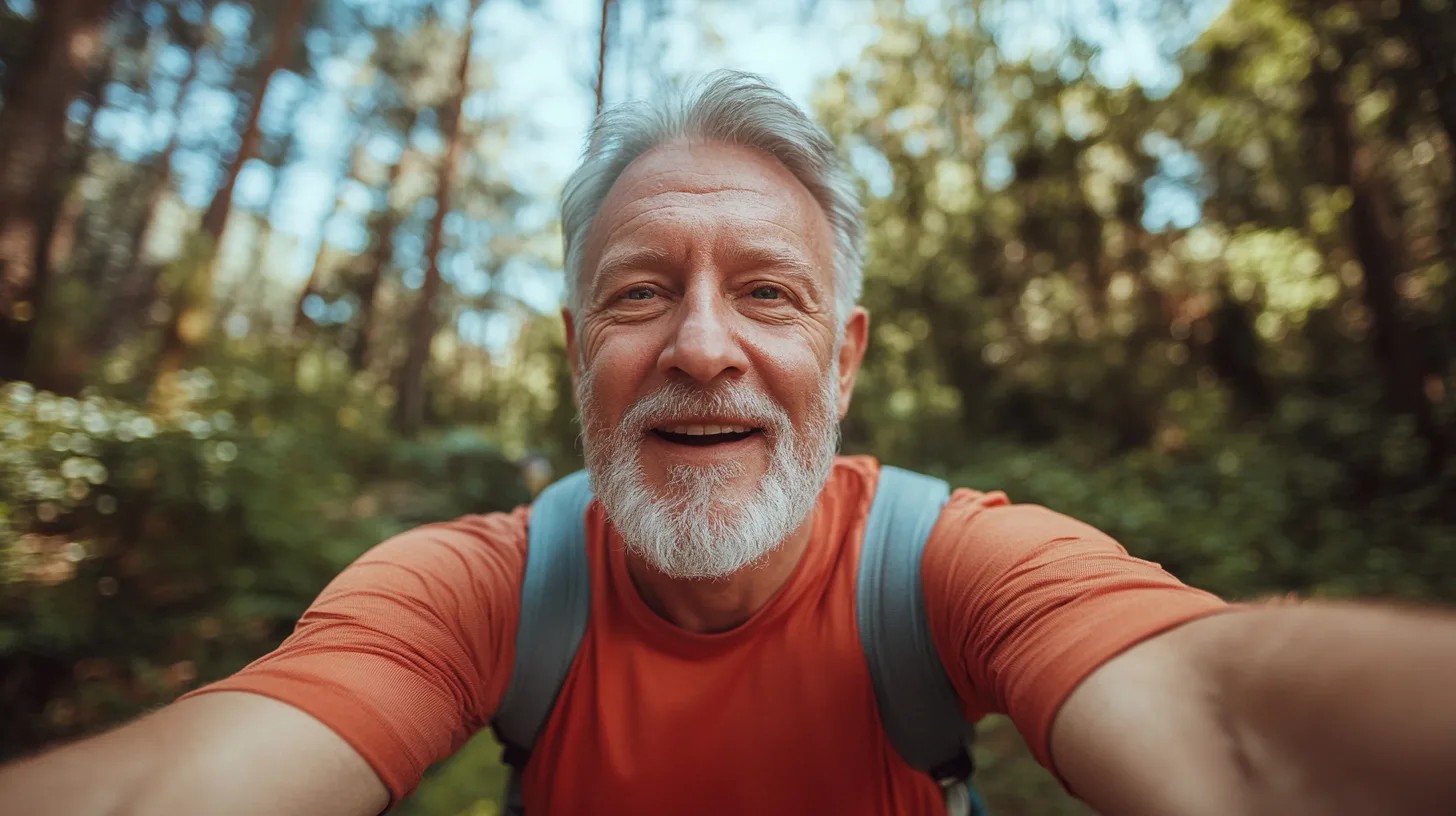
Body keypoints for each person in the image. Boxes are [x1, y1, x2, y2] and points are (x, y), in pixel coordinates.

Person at [3, 70, 1456, 816]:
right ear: (577, 352)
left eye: (768, 293)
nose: (702, 346)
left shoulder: (950, 564)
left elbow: (1229, 728)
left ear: (844, 356)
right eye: (641, 294)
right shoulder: (475, 592)